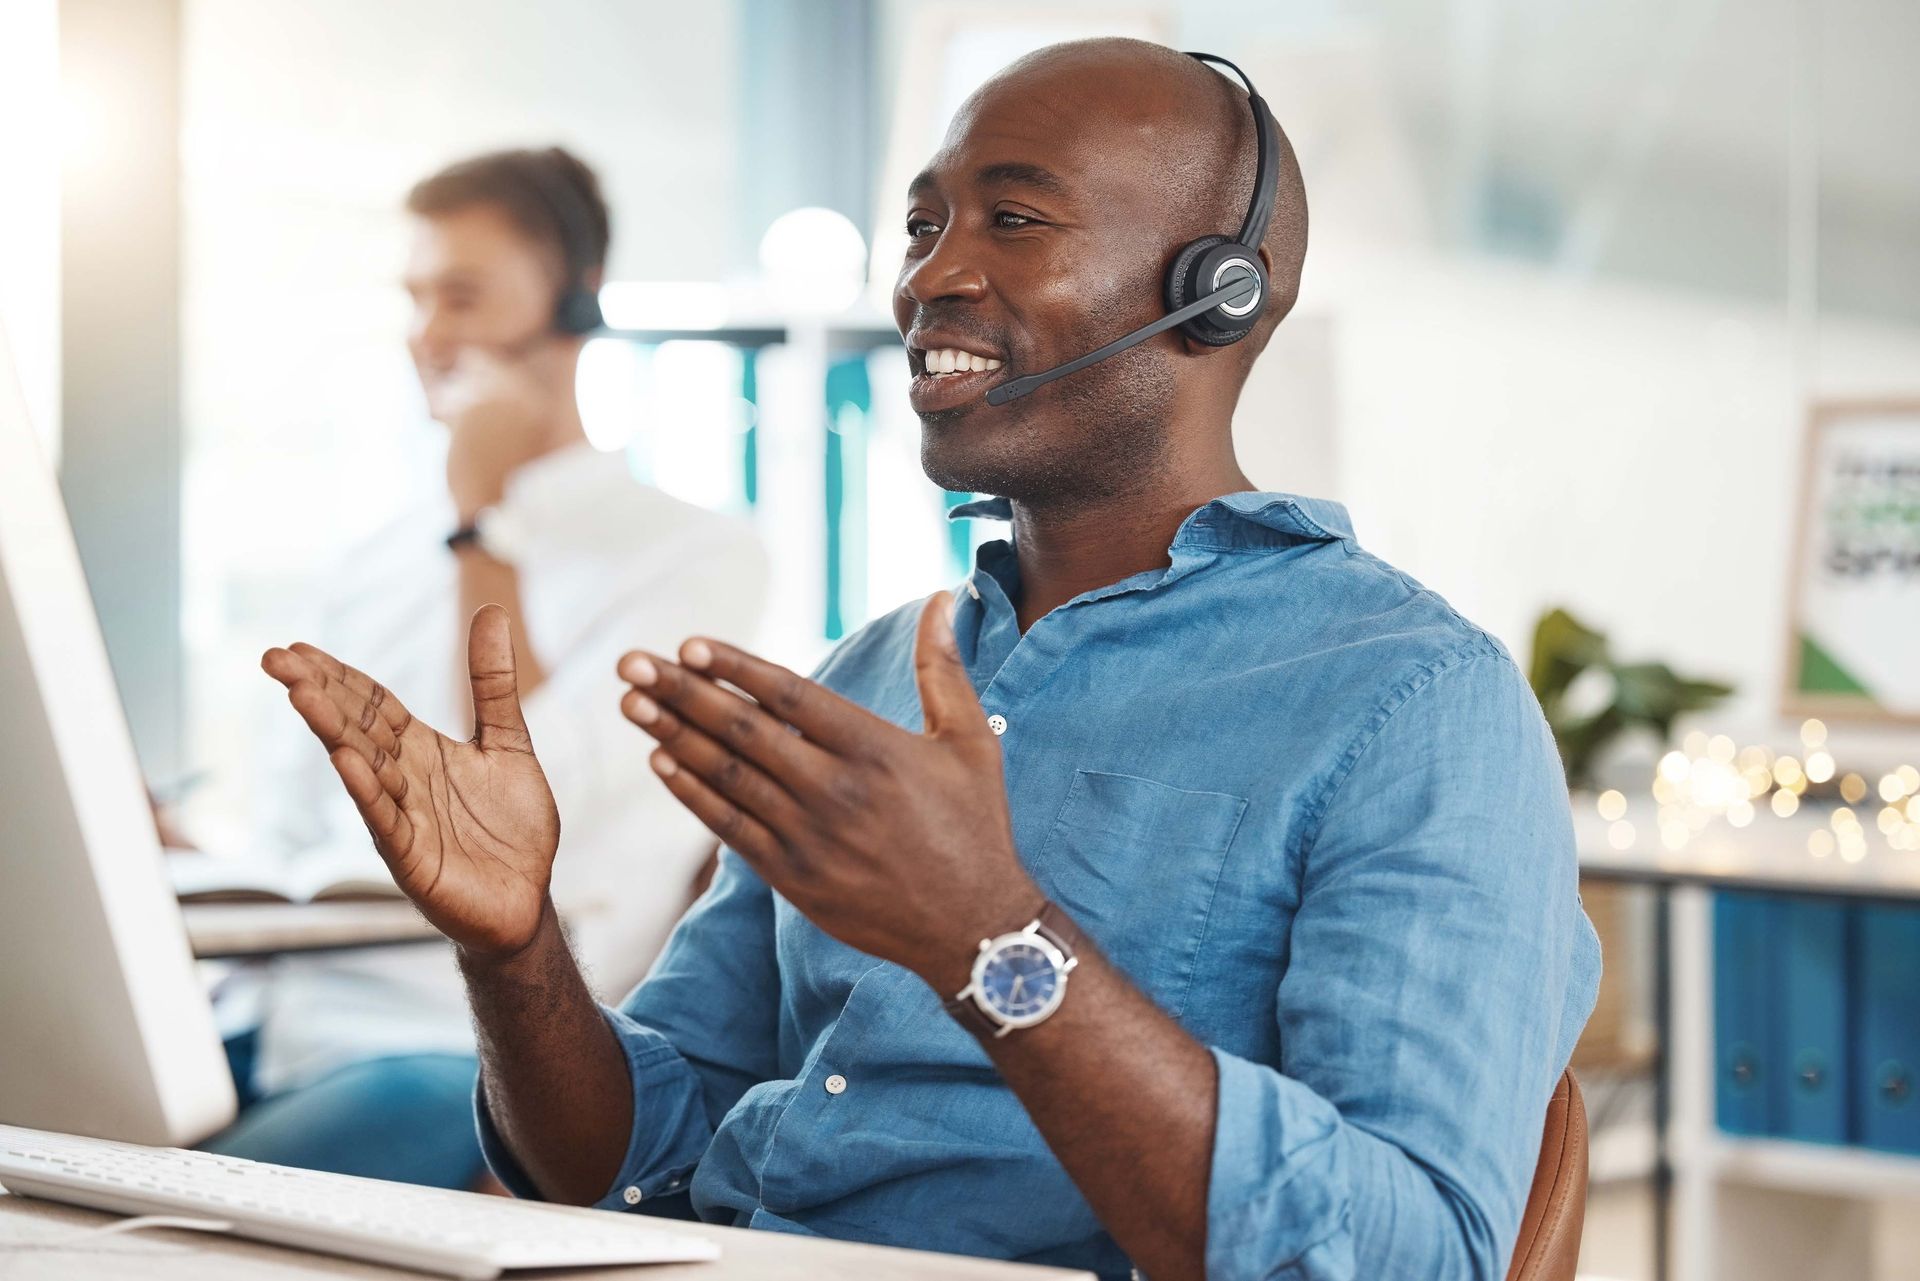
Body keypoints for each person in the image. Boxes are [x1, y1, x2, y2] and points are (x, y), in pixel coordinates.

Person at [261, 41, 1599, 1281]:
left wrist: (989, 935)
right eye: (921, 225)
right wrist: (515, 947)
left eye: (1012, 220)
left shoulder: (1415, 704)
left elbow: (1415, 1256)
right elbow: (626, 1157)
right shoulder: (873, 671)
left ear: (1219, 292)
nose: (927, 277)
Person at [202, 147, 768, 1190]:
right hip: (276, 1026)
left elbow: (511, 794)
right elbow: (289, 831)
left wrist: (482, 522)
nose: (428, 335)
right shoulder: (373, 556)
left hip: (449, 1053)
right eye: (416, 299)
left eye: (461, 297)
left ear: (573, 305)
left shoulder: (696, 557)